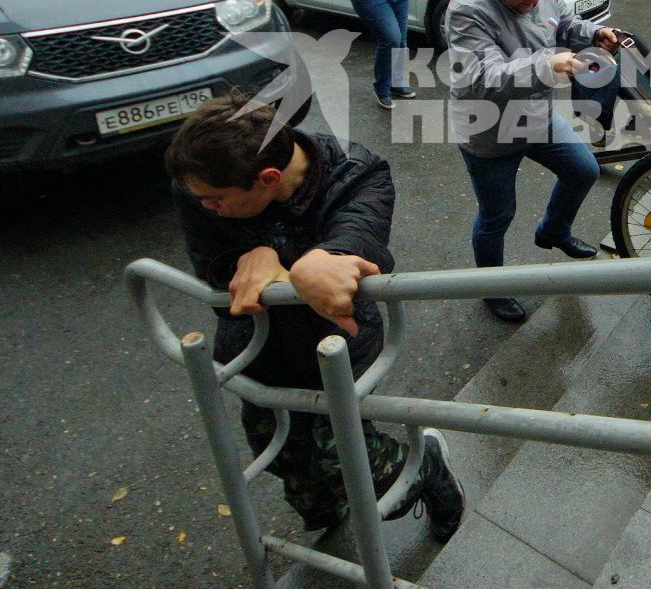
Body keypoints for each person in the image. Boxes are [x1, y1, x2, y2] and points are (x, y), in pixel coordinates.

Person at [166, 92, 465, 542]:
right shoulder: (202, 184)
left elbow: (356, 247)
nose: (205, 207)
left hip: (333, 350)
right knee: (289, 462)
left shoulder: (358, 173)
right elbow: (215, 271)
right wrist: (254, 258)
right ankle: (332, 516)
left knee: (357, 466)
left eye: (215, 202)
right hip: (258, 353)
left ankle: (428, 467)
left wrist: (293, 261)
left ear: (268, 178)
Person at [446, 0, 624, 323]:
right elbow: (485, 77)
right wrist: (546, 64)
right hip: (489, 128)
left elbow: (560, 23)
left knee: (583, 170)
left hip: (537, 115)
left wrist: (593, 33)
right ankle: (491, 288)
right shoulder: (467, 9)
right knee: (498, 215)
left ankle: (552, 232)